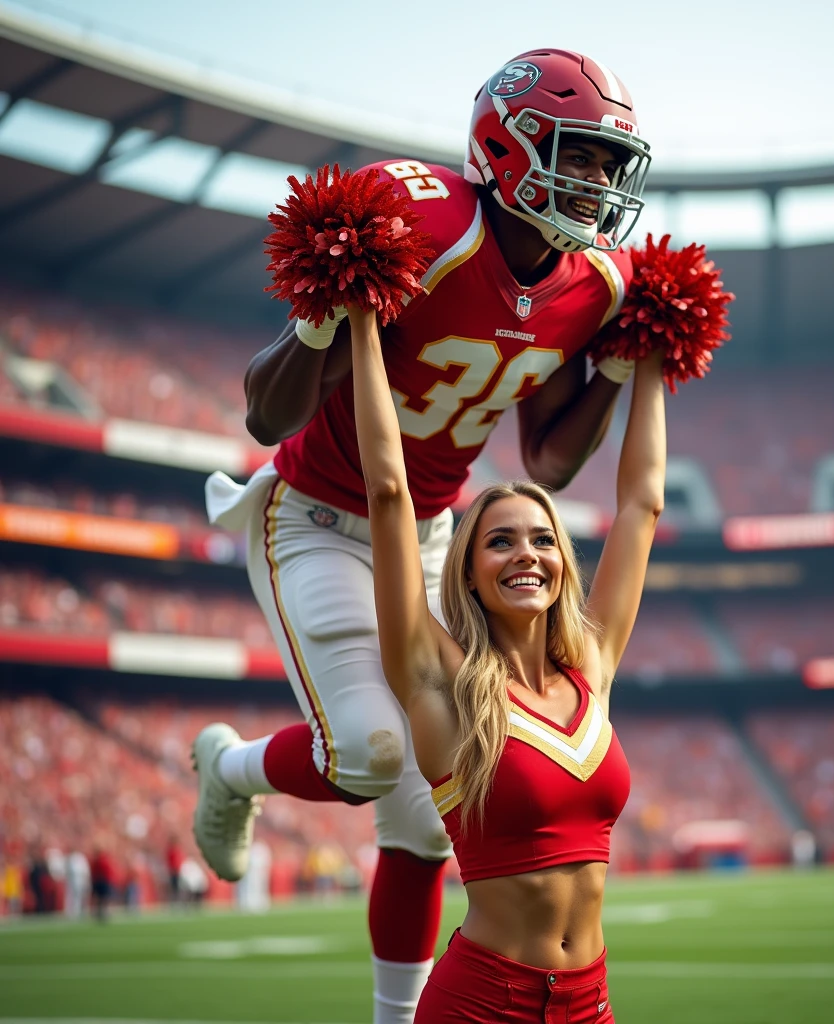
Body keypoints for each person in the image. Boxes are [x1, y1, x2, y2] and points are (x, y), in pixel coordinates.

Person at [193, 48, 652, 1024]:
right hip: (316, 513)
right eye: (583, 155)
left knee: (427, 816)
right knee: (363, 750)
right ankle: (229, 767)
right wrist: (327, 320)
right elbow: (265, 418)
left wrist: (619, 366)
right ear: (510, 145)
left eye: (614, 165)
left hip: (438, 527)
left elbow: (552, 464)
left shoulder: (595, 284)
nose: (600, 184)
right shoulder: (427, 227)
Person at [346, 296, 665, 1022]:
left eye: (543, 539)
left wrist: (653, 350)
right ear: (467, 571)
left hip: (591, 1002)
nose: (527, 553)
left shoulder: (593, 669)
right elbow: (390, 493)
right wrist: (362, 319)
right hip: (483, 1003)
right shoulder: (439, 681)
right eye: (501, 541)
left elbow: (642, 504)